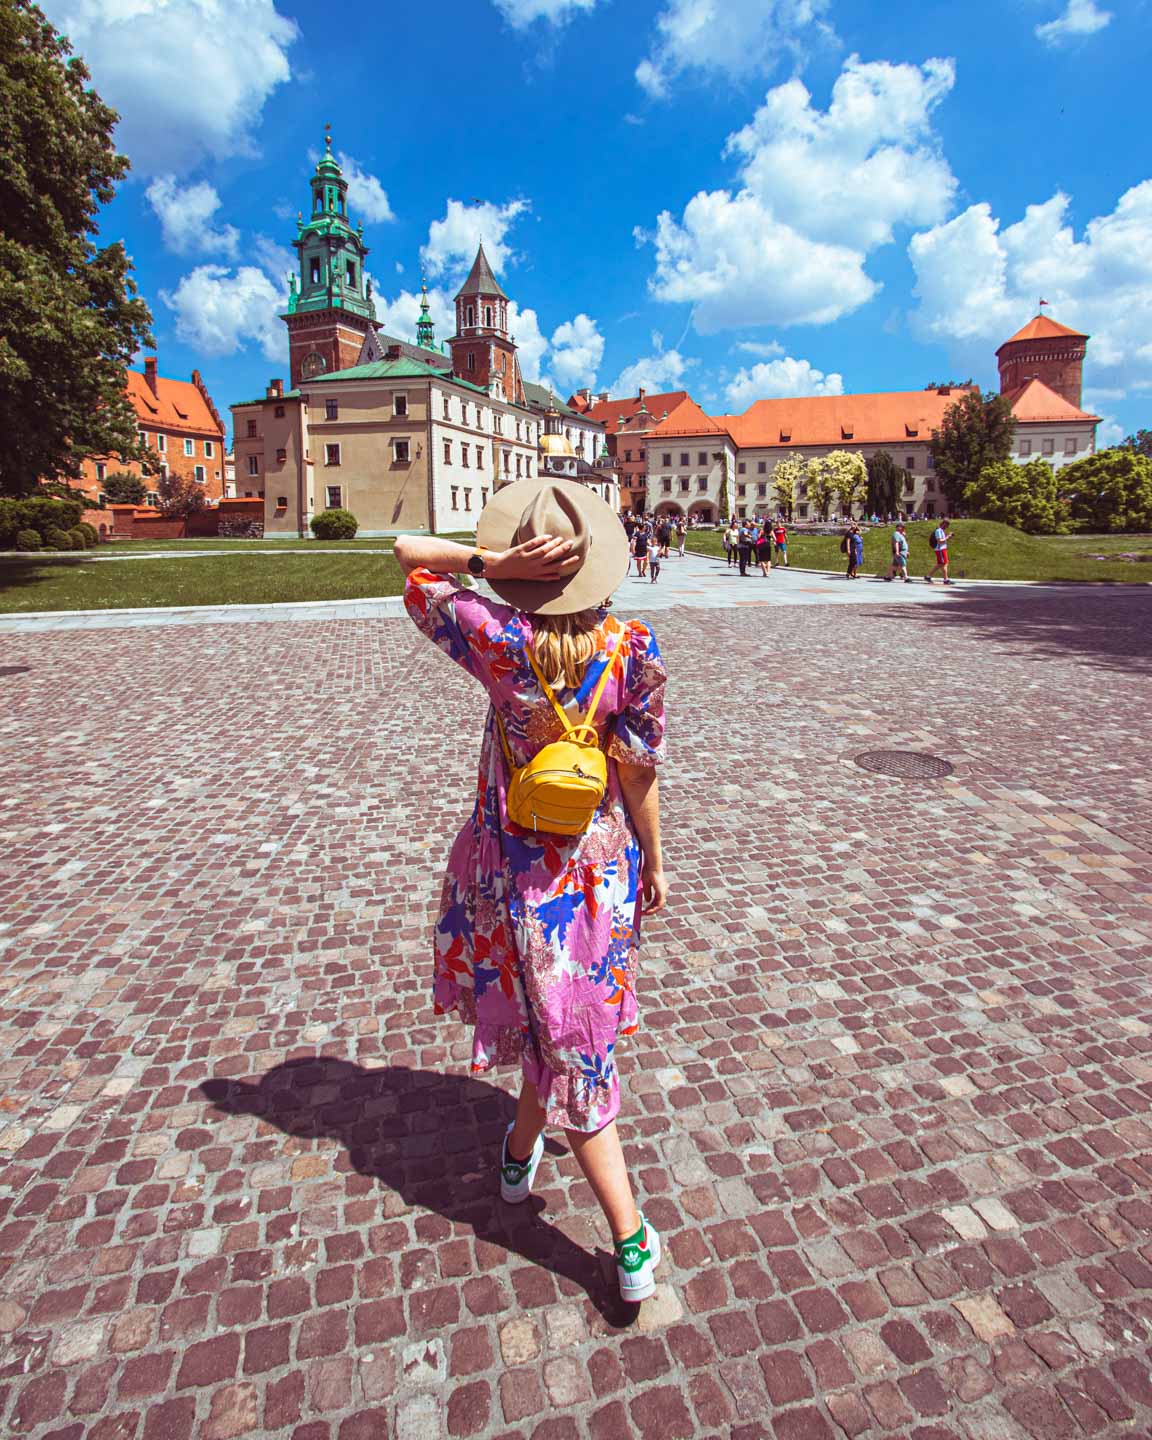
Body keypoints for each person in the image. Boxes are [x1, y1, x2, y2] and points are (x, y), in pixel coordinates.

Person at [395, 480, 668, 1305]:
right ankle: (628, 1240)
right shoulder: (631, 648)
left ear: (524, 567)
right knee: (578, 1050)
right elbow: (639, 770)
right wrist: (655, 859)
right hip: (594, 880)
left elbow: (412, 568)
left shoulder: (495, 639)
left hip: (514, 874)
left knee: (553, 1028)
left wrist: (487, 562)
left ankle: (518, 1156)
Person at [926, 518, 953, 585]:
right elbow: (939, 541)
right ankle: (946, 580)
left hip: (942, 549)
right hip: (940, 549)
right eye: (947, 525)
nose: (947, 527)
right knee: (943, 564)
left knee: (941, 564)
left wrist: (947, 536)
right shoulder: (938, 531)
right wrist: (948, 537)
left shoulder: (941, 530)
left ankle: (928, 576)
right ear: (944, 524)